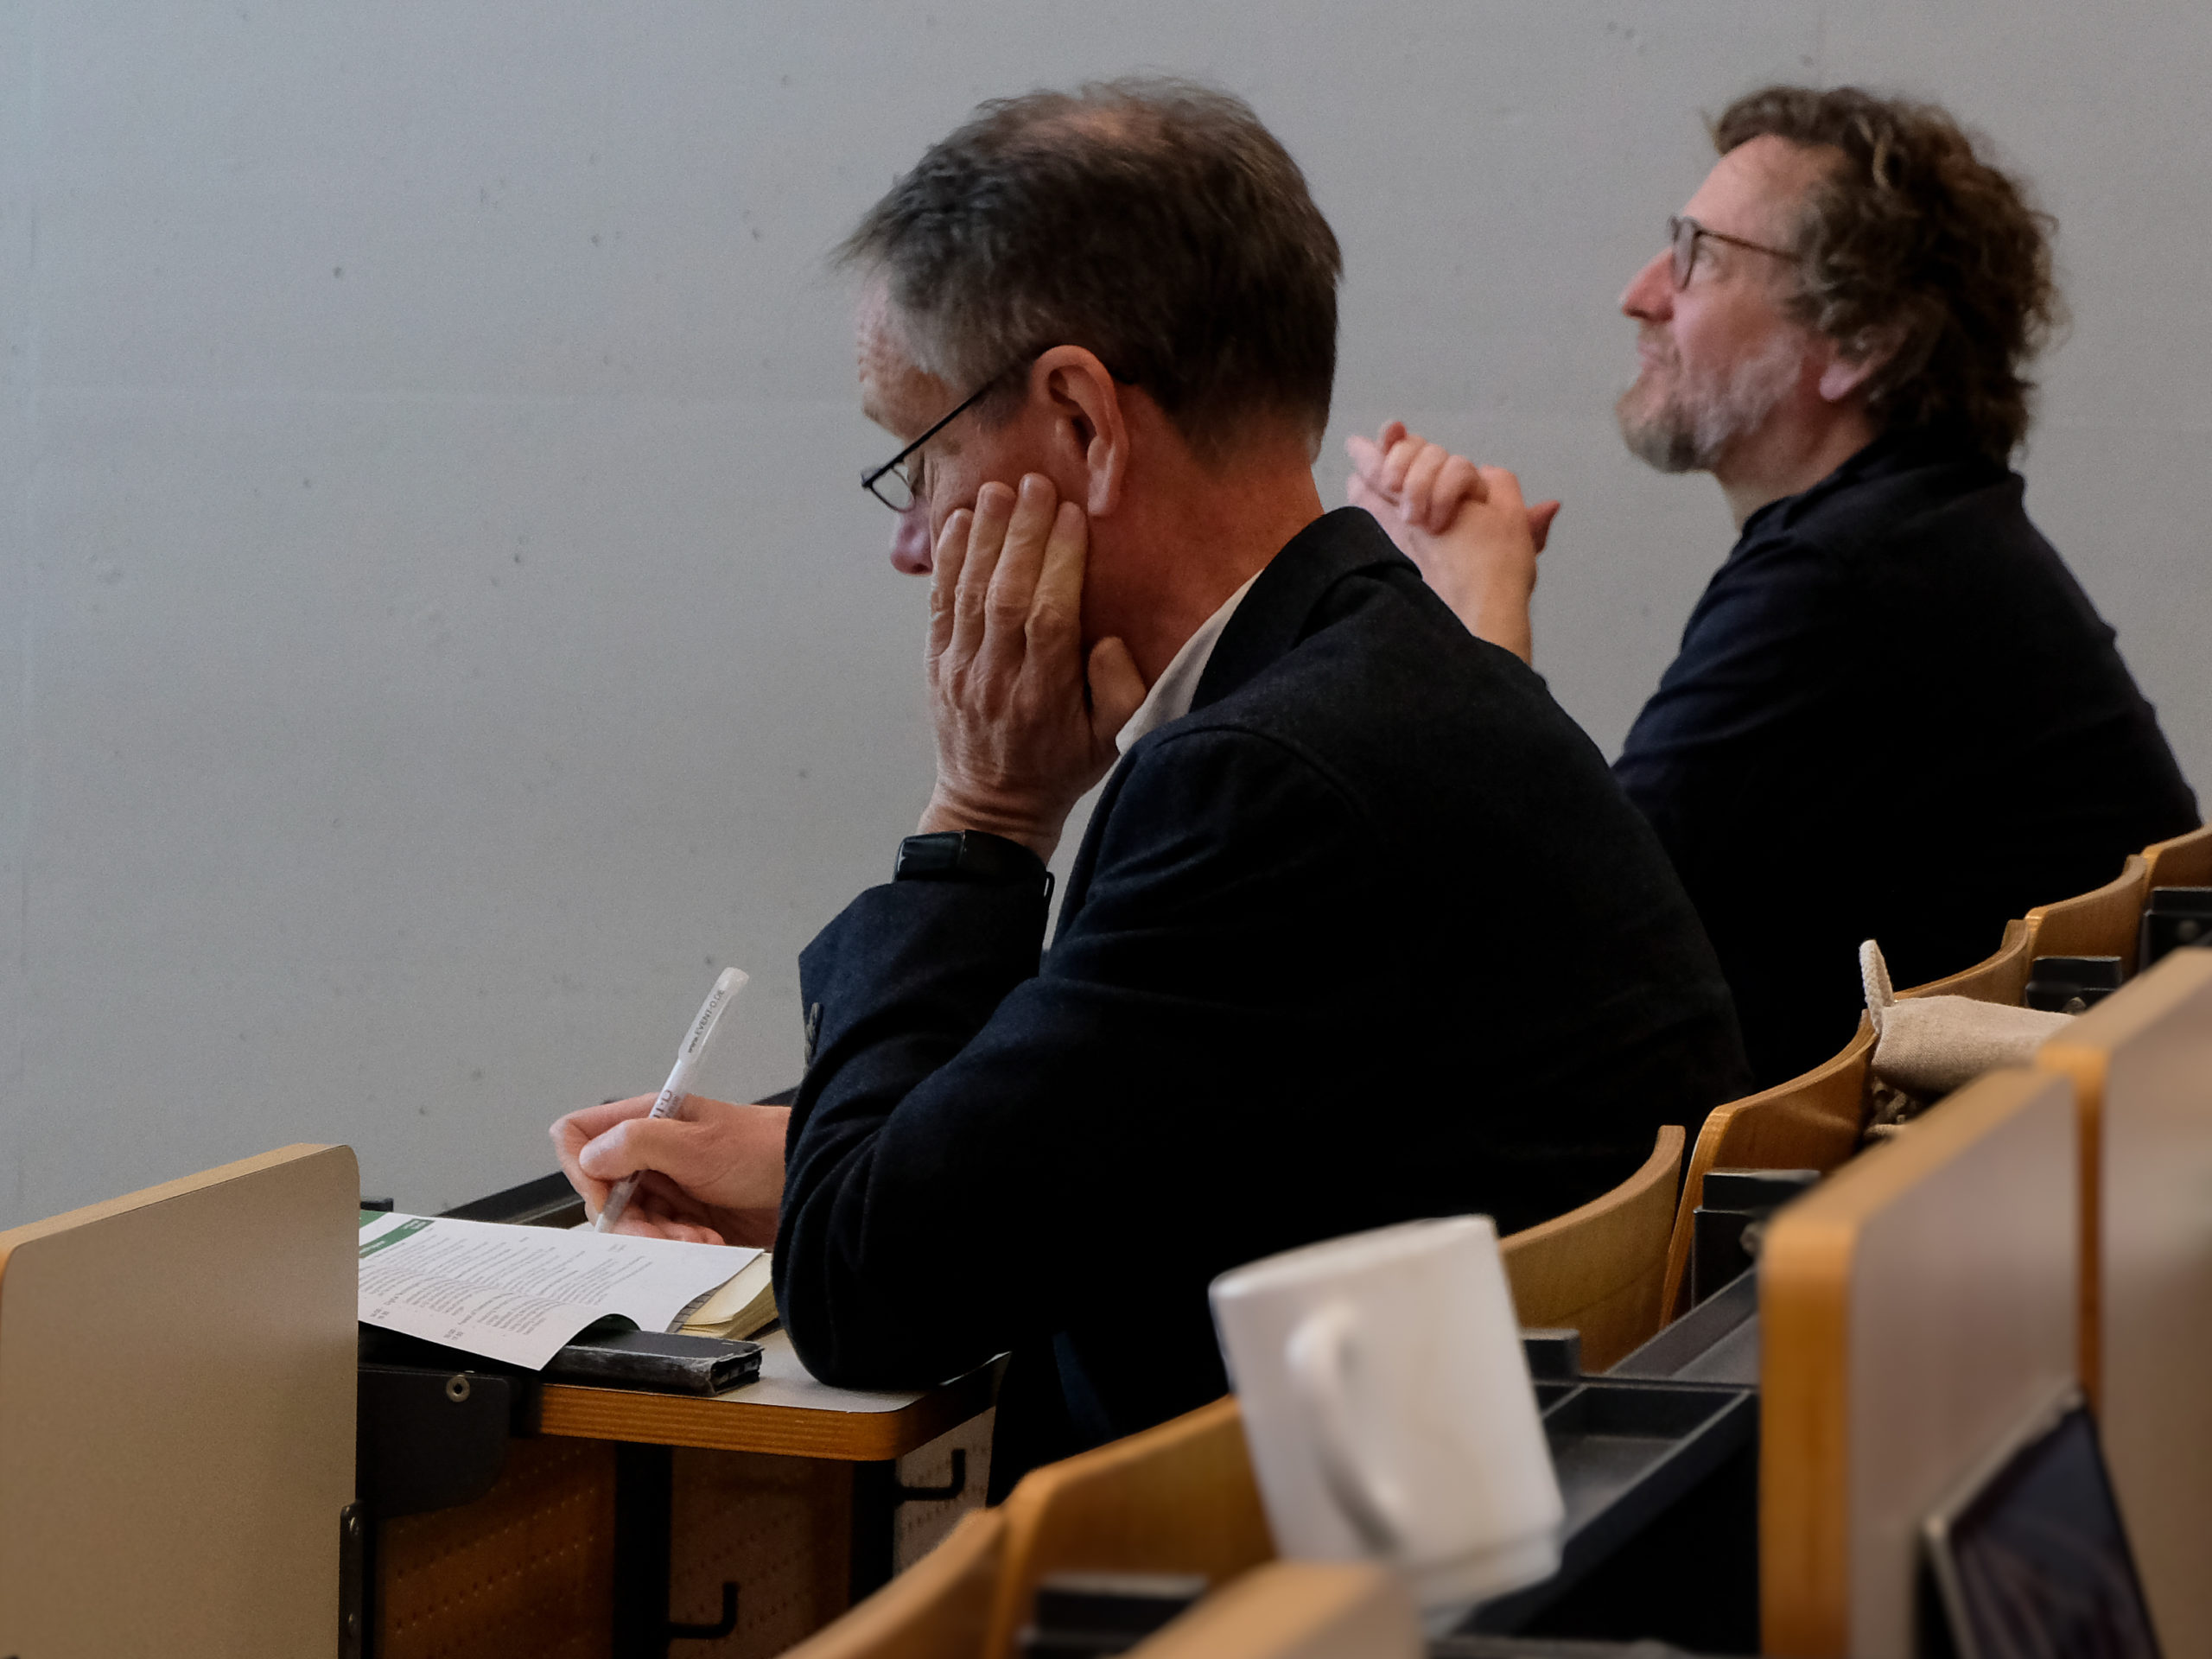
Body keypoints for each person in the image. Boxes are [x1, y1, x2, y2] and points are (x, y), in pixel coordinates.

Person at [553, 79, 1750, 1495]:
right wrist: (824, 1149)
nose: (916, 545)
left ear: (1080, 423)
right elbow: (1100, 1132)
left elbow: (872, 1295)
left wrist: (982, 824)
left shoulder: (1269, 787)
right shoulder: (1391, 677)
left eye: (921, 458)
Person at [1351, 86, 2197, 1088]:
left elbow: (1558, 941)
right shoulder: (1904, 543)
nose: (1641, 291)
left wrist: (1475, 621)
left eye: (1699, 255)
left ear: (1860, 338)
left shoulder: (1856, 579)